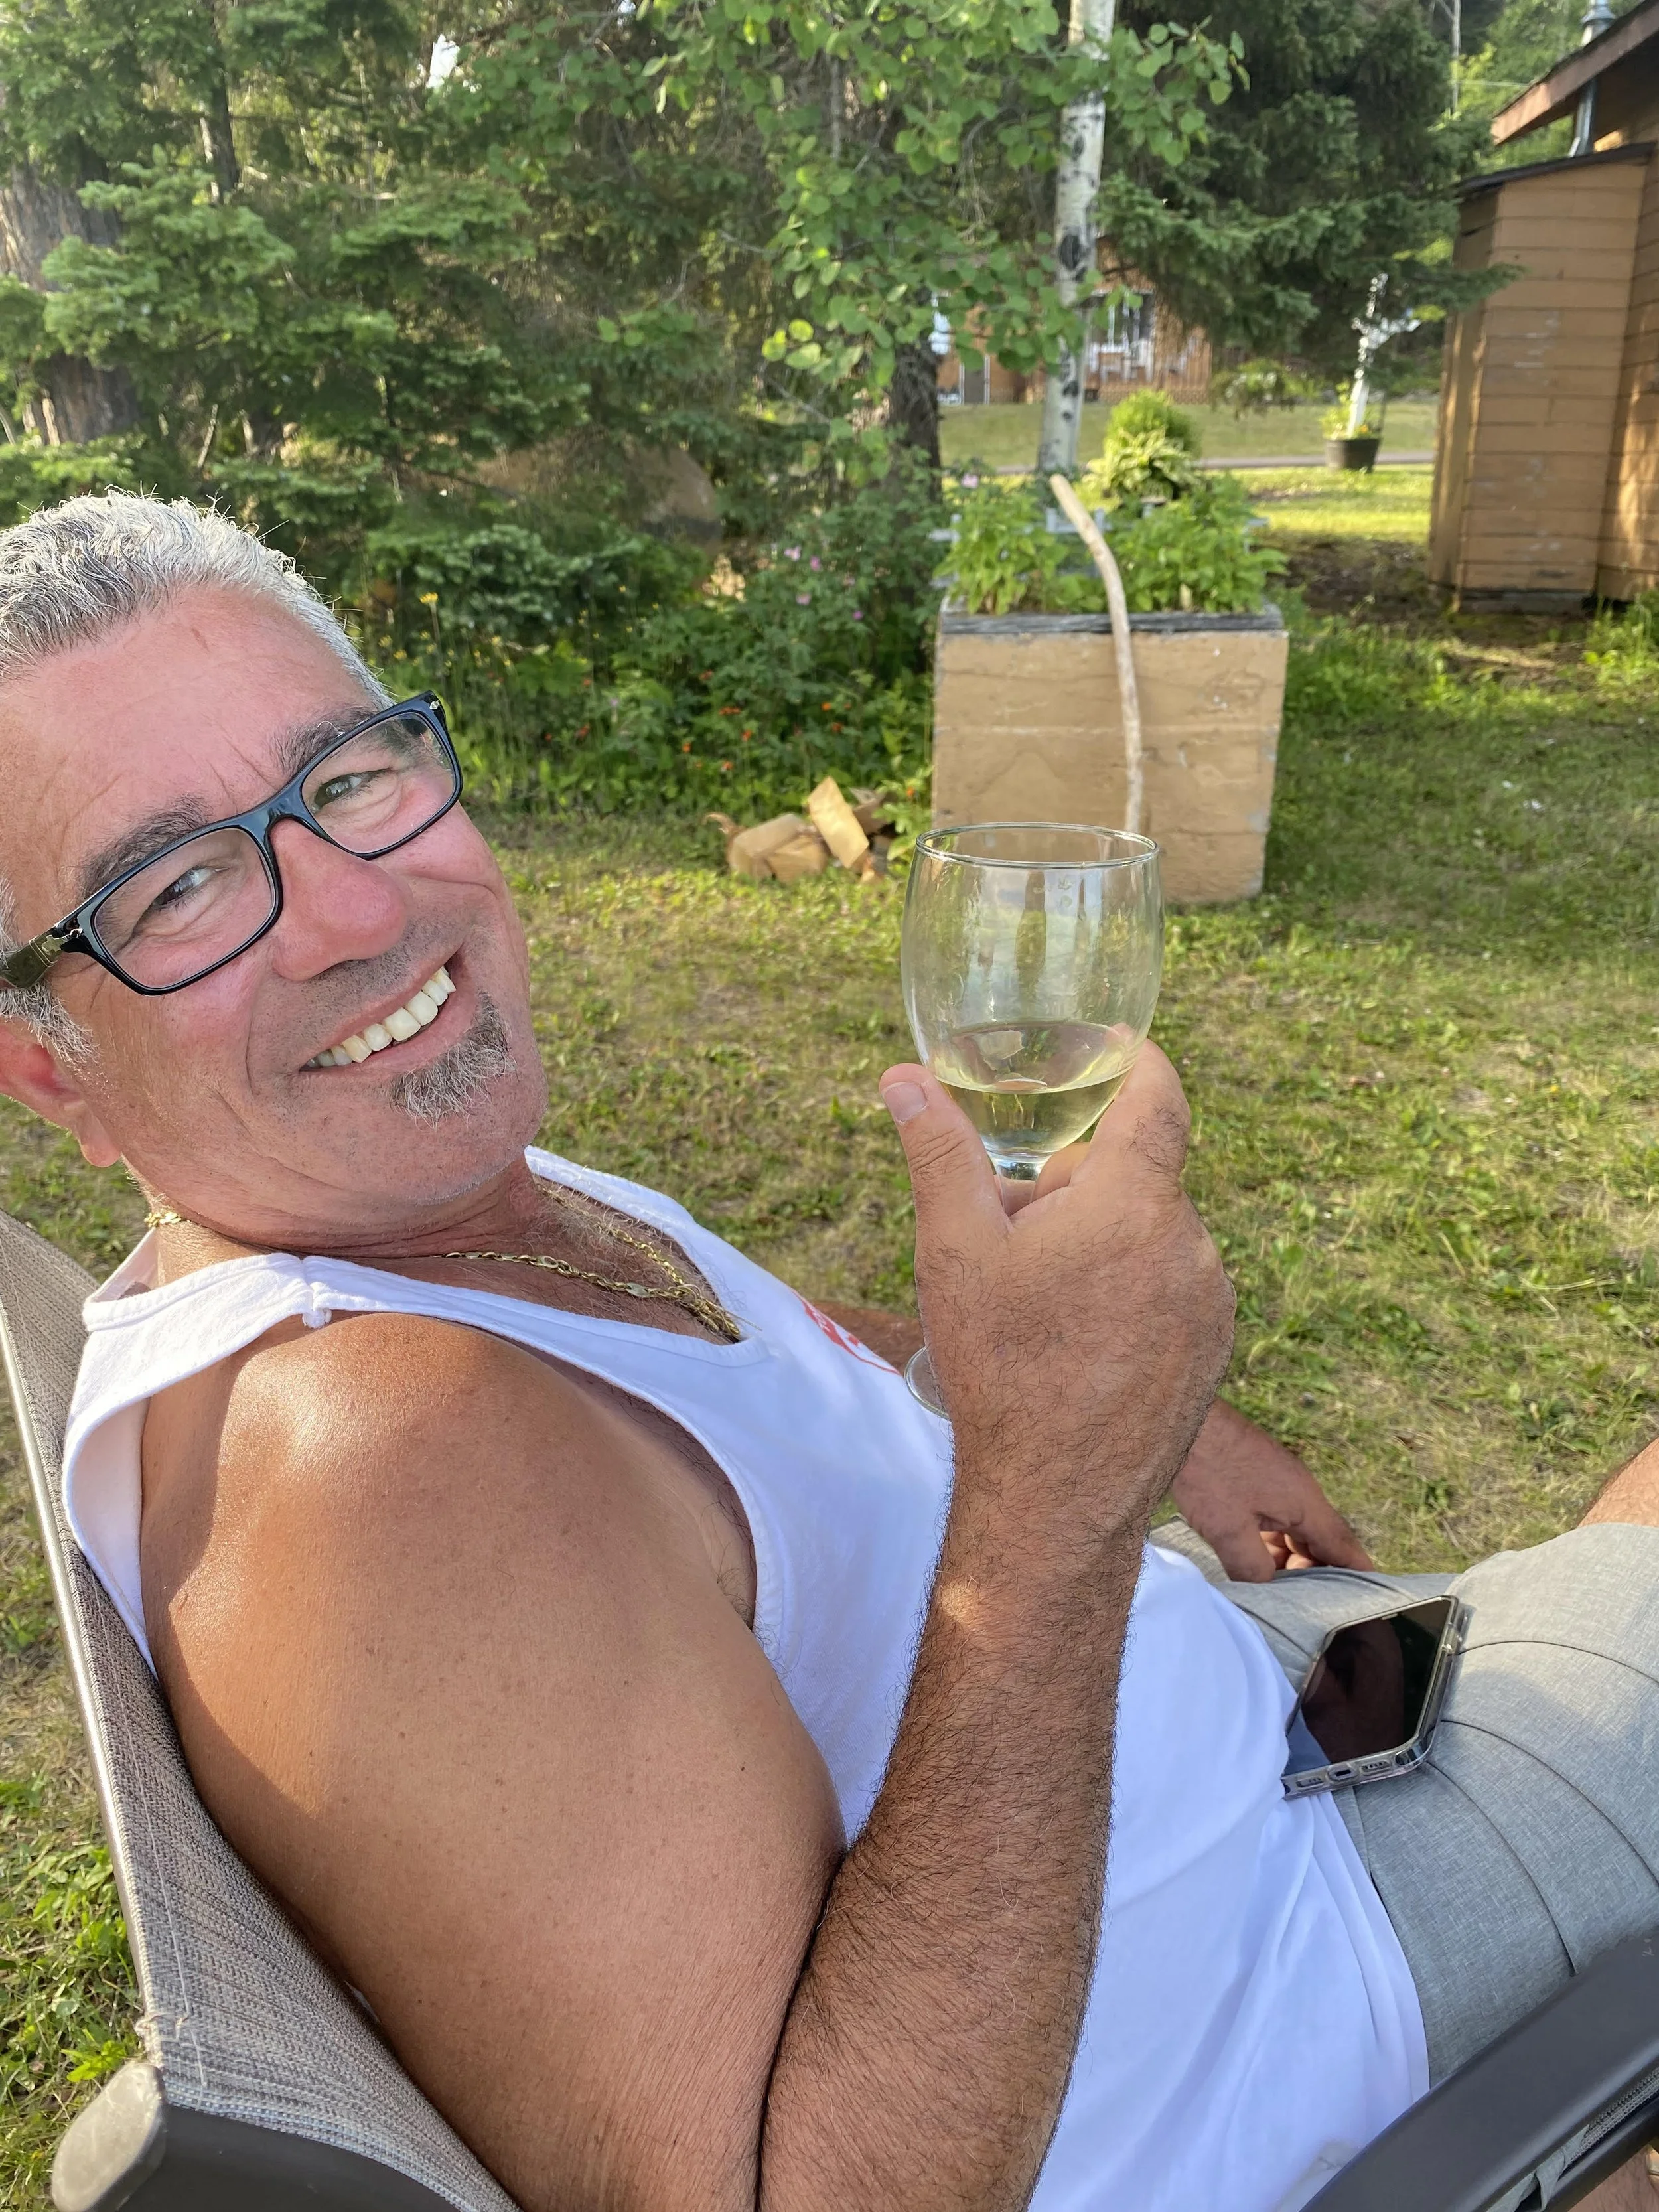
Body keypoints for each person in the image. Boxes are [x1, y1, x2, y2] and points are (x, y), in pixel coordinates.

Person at [0, 490, 1654, 2212]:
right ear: (47, 1070)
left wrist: (1075, 1396)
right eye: (176, 884)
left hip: (1292, 1740)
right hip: (1334, 1992)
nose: (353, 912)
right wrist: (1059, 1499)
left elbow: (743, 1381)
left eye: (346, 778)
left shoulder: (406, 1192)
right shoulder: (375, 1470)